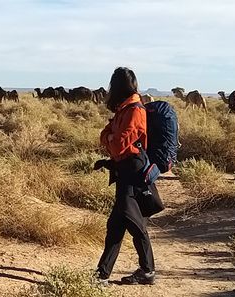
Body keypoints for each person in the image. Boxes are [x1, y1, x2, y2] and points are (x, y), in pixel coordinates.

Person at [95, 67, 156, 285]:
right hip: (125, 170)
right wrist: (109, 137)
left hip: (133, 171)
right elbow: (105, 136)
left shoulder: (134, 111)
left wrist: (109, 137)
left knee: (132, 221)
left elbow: (118, 145)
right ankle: (102, 274)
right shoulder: (124, 109)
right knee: (116, 224)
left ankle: (148, 270)